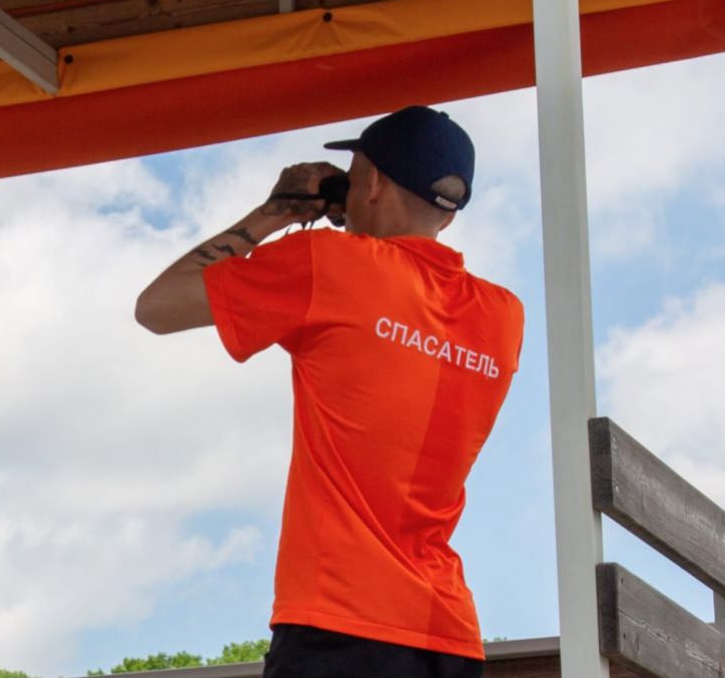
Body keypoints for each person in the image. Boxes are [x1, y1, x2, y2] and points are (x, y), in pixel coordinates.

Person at [135, 106, 525, 677]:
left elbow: (157, 306)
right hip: (448, 640)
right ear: (448, 212)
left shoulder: (328, 263)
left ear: (372, 183)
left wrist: (276, 211)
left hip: (340, 624)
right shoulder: (502, 316)